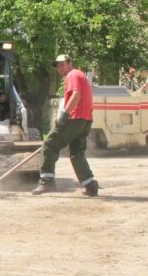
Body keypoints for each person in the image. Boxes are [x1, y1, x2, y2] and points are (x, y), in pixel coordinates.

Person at [32, 54, 98, 197]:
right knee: (77, 153)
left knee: (49, 144)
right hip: (85, 120)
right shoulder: (80, 75)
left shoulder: (72, 75)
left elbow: (76, 95)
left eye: (62, 64)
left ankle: (46, 180)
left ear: (70, 63)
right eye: (57, 65)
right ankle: (90, 184)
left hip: (75, 118)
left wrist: (64, 115)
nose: (59, 68)